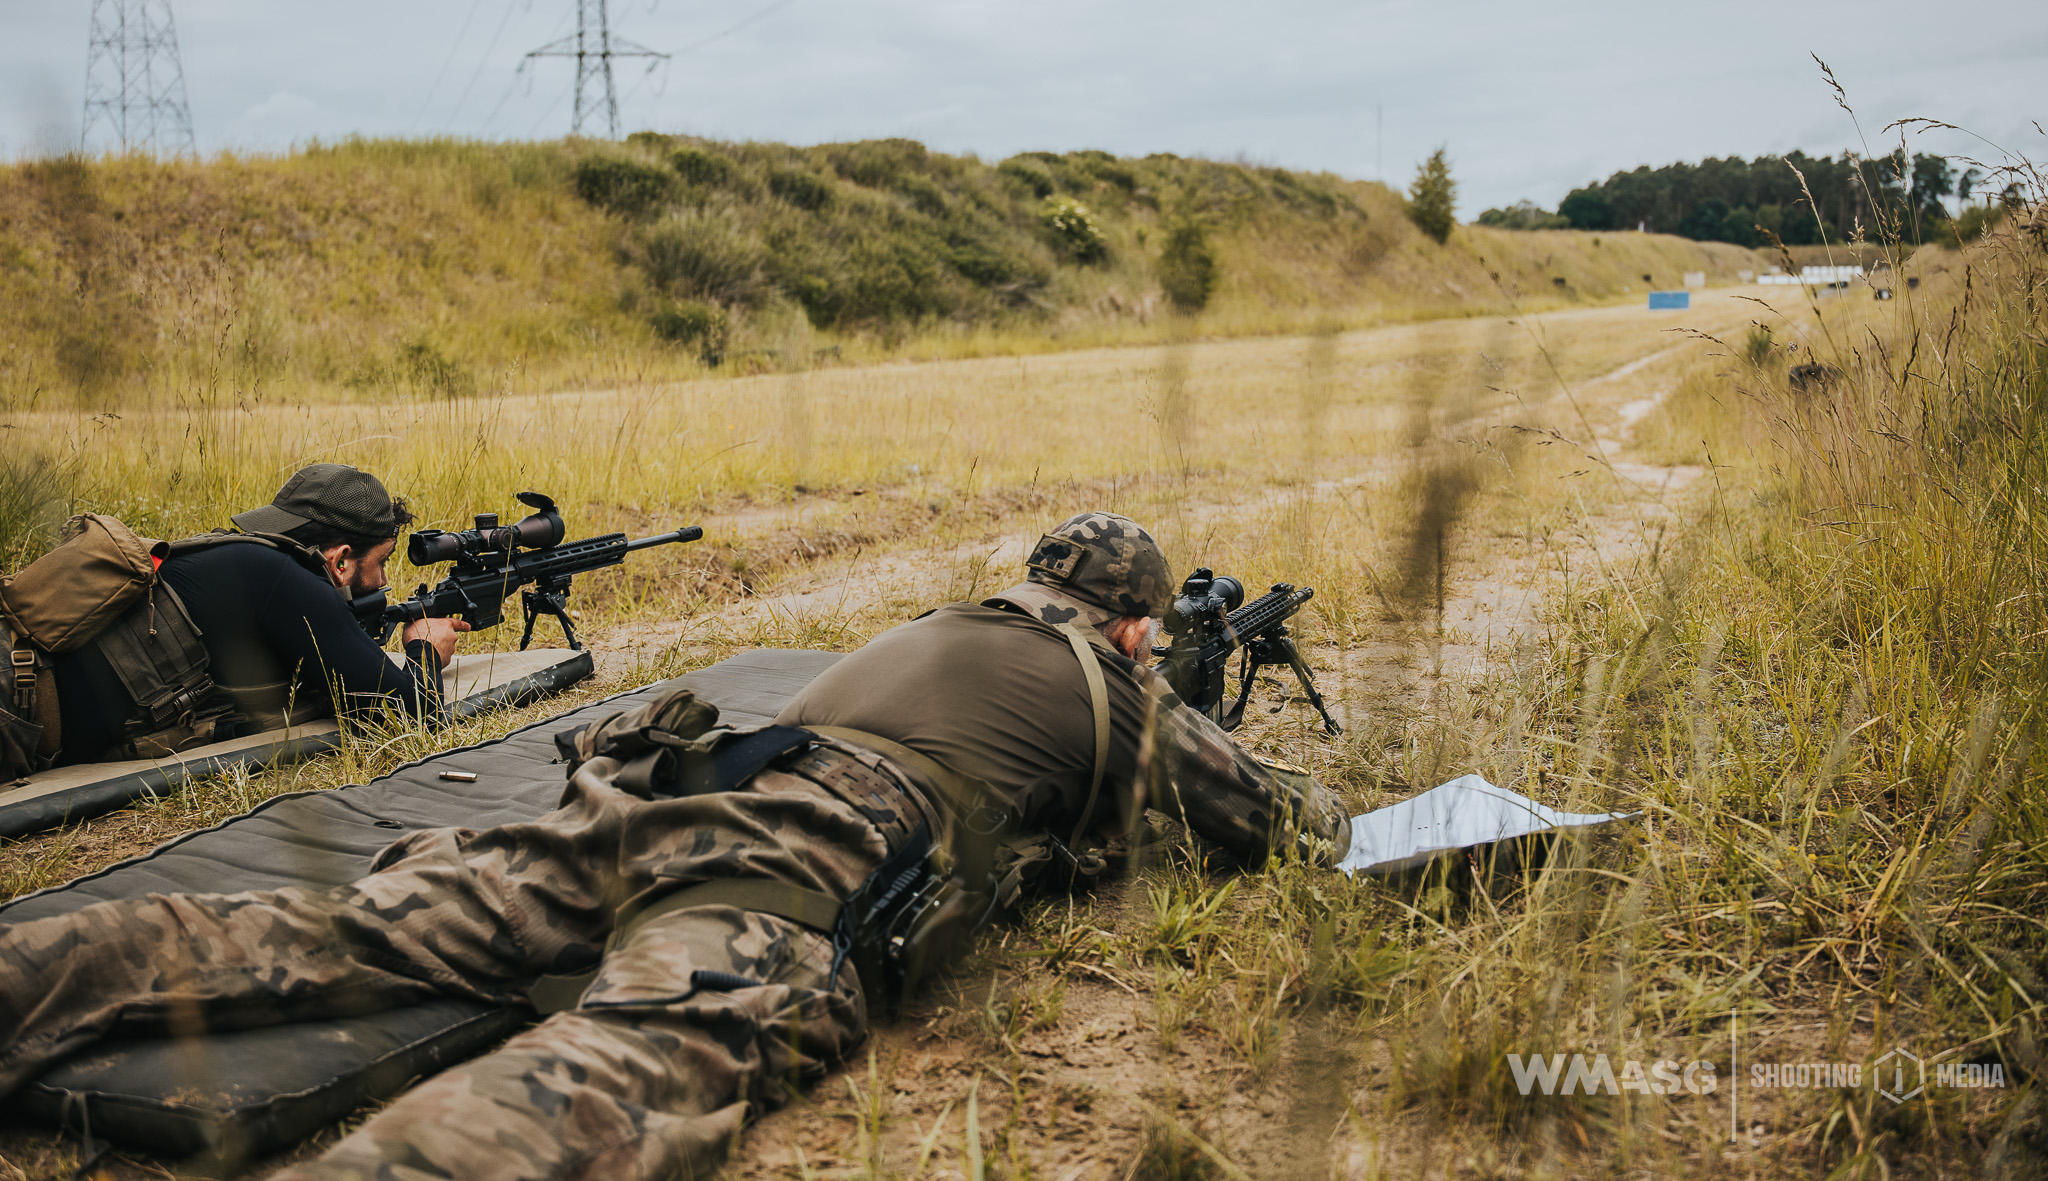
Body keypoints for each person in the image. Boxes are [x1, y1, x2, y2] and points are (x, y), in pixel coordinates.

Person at [0, 513, 1350, 1181]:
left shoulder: (941, 626)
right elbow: (1291, 828)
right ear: (1129, 626)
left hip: (650, 808)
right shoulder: (1108, 680)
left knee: (327, 930)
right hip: (786, 861)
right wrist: (1167, 695)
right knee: (618, 1065)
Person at [48, 463, 469, 763]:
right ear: (341, 561)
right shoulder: (284, 579)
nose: (381, 582)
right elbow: (414, 715)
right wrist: (424, 648)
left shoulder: (247, 562)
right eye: (382, 561)